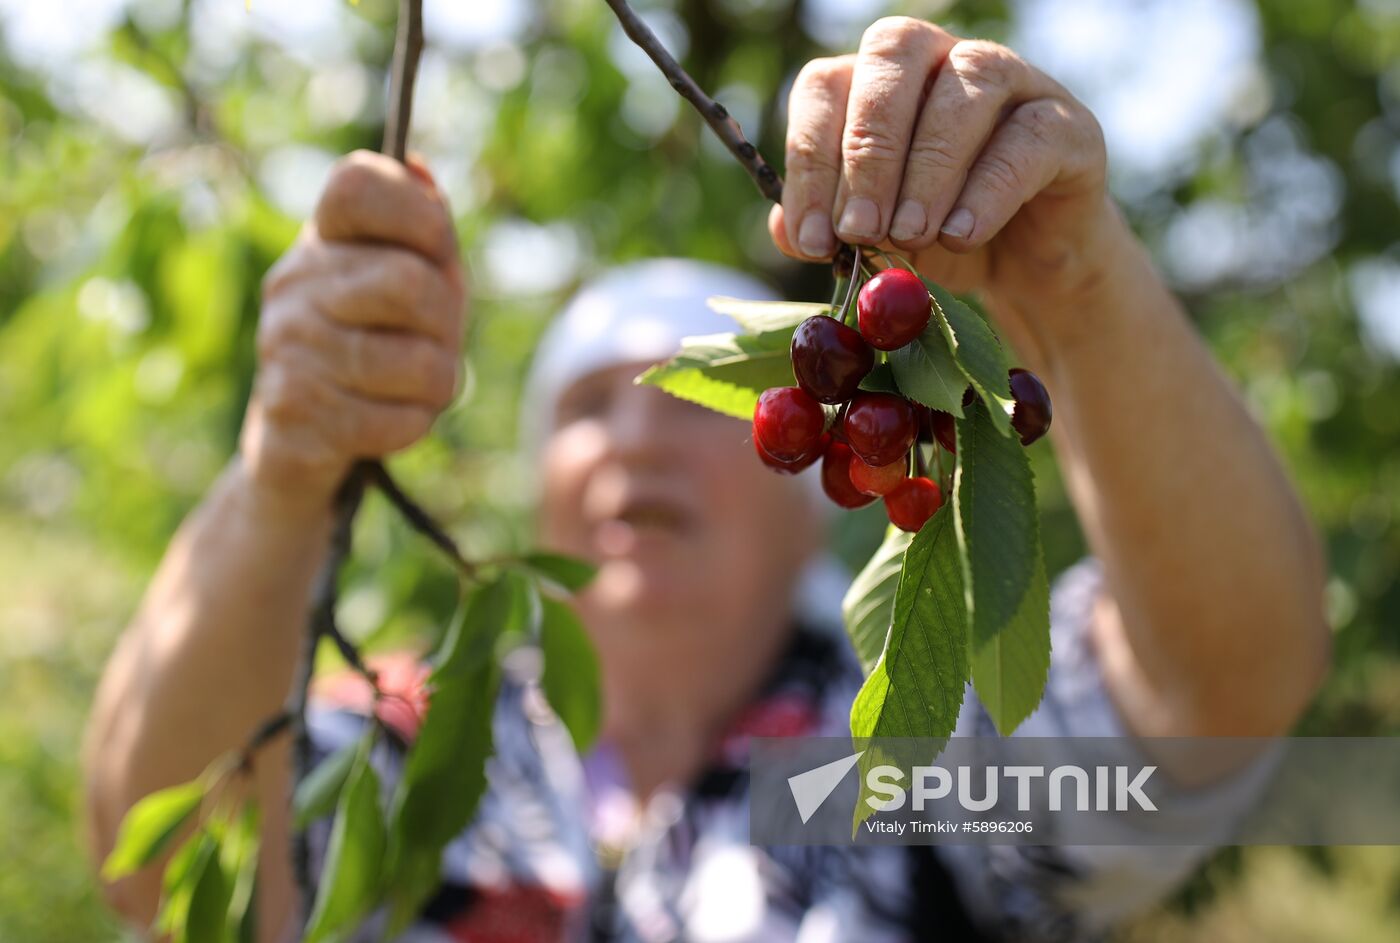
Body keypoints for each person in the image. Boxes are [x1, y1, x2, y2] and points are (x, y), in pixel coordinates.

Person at [83, 16, 1330, 943]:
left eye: (689, 400)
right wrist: (282, 472)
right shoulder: (412, 742)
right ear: (534, 498)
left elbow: (1215, 695)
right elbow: (166, 855)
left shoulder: (905, 769)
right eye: (582, 407)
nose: (631, 440)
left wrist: (1075, 284)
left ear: (814, 513)